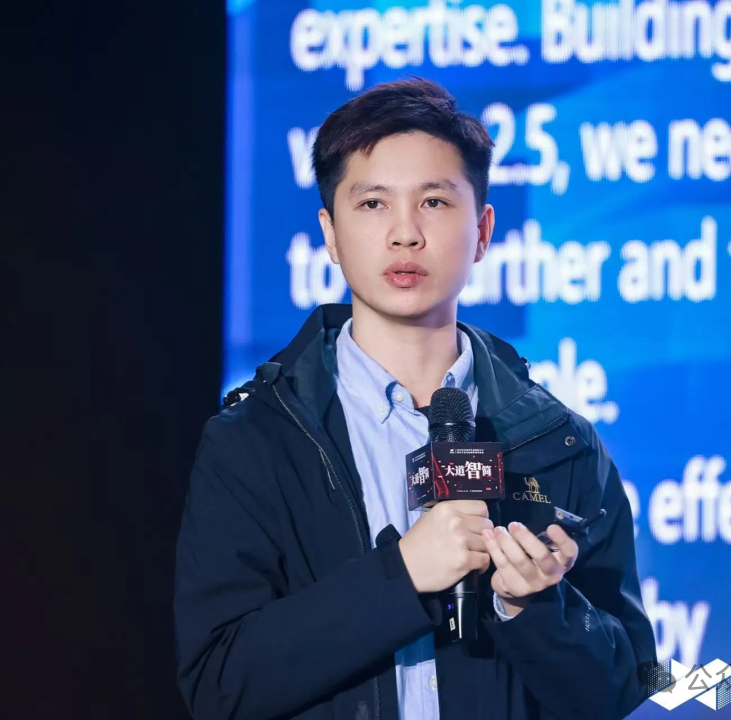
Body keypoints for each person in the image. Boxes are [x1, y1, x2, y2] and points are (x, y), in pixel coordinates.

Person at [173, 77, 657, 720]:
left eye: (433, 201)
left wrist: (534, 608)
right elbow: (219, 686)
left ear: (482, 231)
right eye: (373, 204)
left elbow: (626, 686)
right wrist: (401, 576)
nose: (405, 233)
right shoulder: (255, 441)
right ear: (330, 234)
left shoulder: (560, 444)